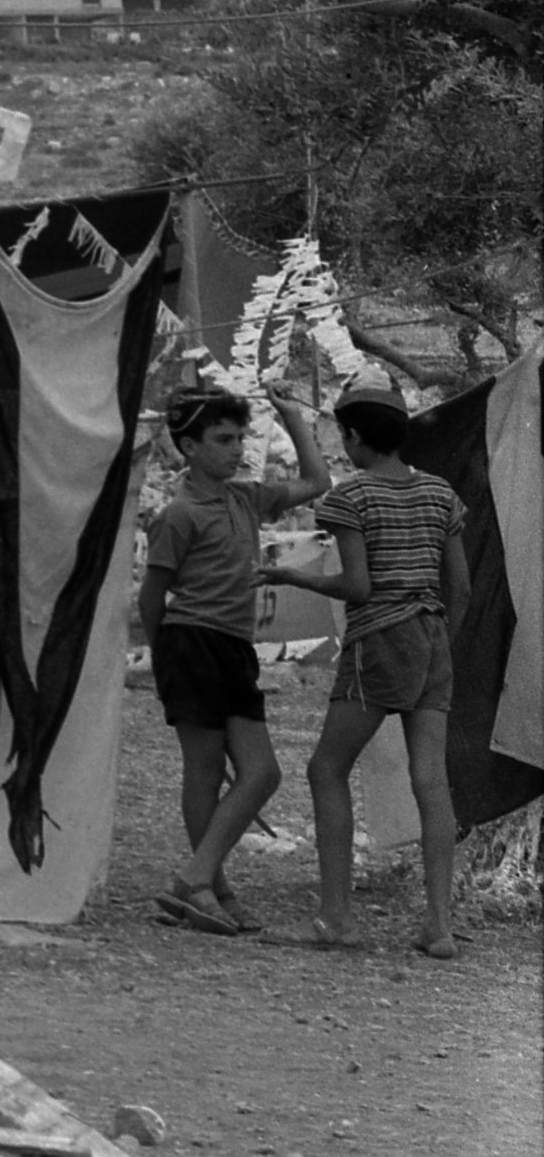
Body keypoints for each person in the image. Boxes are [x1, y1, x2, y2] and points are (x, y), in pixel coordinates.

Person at [140, 385, 318, 932]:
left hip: (234, 647)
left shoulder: (247, 498)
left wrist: (293, 419)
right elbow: (152, 597)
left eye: (239, 437)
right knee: (205, 768)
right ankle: (212, 890)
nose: (236, 448)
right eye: (222, 439)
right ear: (189, 447)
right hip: (190, 643)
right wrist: (162, 664)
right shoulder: (179, 514)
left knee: (261, 772)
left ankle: (195, 879)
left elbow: (318, 483)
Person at [307, 389, 467, 957]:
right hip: (432, 637)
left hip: (378, 641)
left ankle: (337, 917)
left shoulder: (353, 497)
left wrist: (292, 578)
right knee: (431, 779)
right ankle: (439, 924)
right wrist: (439, 638)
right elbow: (462, 589)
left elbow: (356, 587)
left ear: (353, 438)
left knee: (327, 768)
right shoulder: (439, 493)